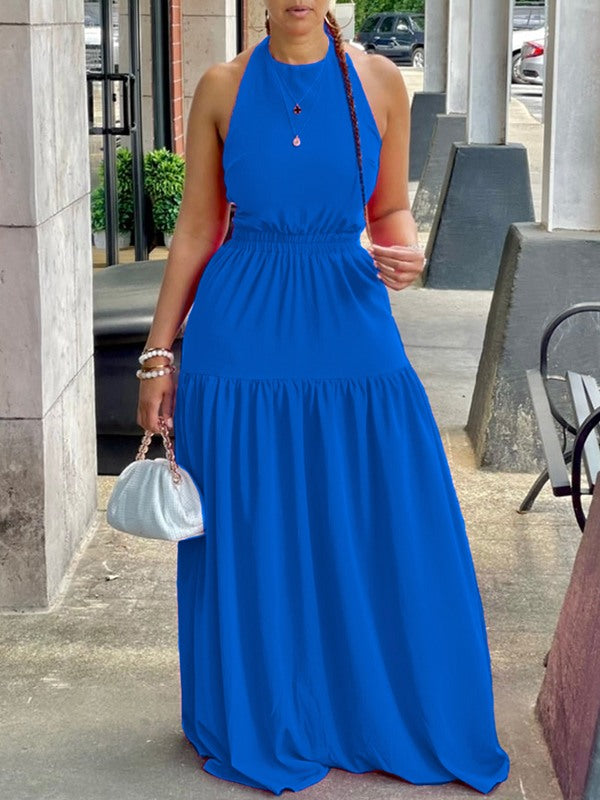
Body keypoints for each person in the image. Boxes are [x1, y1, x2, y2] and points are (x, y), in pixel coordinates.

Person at [136, 1, 511, 795]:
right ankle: (270, 710)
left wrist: (404, 250)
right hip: (238, 334)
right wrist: (158, 355)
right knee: (254, 525)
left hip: (347, 314)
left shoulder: (379, 82)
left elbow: (389, 207)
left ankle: (366, 705)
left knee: (385, 508)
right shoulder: (221, 86)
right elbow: (199, 228)